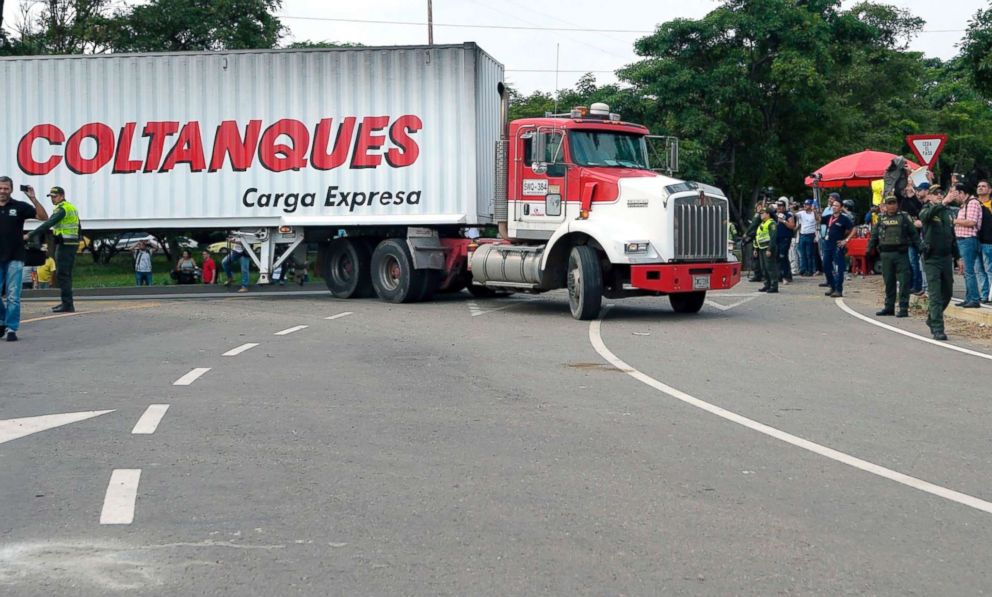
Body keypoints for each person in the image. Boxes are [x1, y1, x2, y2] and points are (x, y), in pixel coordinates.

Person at [0, 177, 49, 341]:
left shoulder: (19, 207)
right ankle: (3, 320)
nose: (3, 191)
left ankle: (11, 328)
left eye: (6, 188)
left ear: (11, 190)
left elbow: (43, 217)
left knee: (13, 295)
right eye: (0, 188)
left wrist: (33, 198)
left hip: (15, 257)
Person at [27, 186, 79, 313]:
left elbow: (48, 224)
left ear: (62, 196)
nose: (52, 199)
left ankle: (67, 304)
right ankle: (66, 303)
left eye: (55, 196)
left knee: (62, 275)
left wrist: (30, 235)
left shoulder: (62, 209)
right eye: (51, 197)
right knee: (65, 274)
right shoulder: (70, 207)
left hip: (65, 245)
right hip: (70, 244)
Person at [868, 195, 920, 317]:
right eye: (889, 203)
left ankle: (903, 308)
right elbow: (874, 235)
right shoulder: (881, 219)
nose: (892, 206)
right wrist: (869, 248)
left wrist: (920, 247)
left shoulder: (904, 217)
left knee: (904, 282)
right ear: (885, 205)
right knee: (889, 282)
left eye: (894, 203)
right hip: (886, 254)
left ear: (897, 204)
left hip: (901, 253)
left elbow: (913, 234)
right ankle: (889, 307)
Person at [919, 189, 959, 341]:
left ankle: (932, 317)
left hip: (946, 257)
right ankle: (937, 328)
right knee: (935, 294)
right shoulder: (927, 209)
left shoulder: (948, 212)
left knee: (947, 293)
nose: (939, 195)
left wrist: (958, 257)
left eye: (941, 193)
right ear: (929, 196)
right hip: (932, 258)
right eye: (935, 193)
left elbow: (952, 235)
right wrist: (942, 203)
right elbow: (924, 218)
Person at [951, 183, 983, 308]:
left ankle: (974, 298)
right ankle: (969, 297)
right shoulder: (965, 204)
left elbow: (971, 221)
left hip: (968, 239)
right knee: (965, 271)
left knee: (969, 271)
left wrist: (954, 221)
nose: (954, 196)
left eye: (955, 193)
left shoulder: (973, 203)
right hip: (962, 240)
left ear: (962, 192)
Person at [822, 196, 855, 298]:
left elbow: (854, 229)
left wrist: (846, 240)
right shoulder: (829, 217)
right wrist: (815, 211)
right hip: (827, 244)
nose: (834, 207)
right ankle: (832, 286)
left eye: (837, 206)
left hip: (837, 245)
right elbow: (818, 219)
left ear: (841, 207)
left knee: (838, 268)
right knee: (826, 266)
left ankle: (838, 289)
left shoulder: (844, 219)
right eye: (833, 205)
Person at [901, 182, 925, 295]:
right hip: (905, 238)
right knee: (908, 263)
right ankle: (910, 285)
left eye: (910, 188)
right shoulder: (902, 202)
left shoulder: (917, 201)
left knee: (914, 263)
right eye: (906, 188)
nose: (907, 190)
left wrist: (913, 196)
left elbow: (919, 212)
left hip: (914, 237)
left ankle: (917, 285)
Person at [754, 207, 779, 293]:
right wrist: (755, 249)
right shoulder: (762, 224)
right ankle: (767, 285)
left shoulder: (771, 223)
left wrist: (769, 249)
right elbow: (758, 236)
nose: (761, 214)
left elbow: (773, 237)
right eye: (760, 213)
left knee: (770, 268)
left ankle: (774, 286)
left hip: (768, 248)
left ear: (768, 214)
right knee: (764, 268)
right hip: (761, 248)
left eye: (763, 213)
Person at [976, 180, 992, 303]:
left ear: (990, 190)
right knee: (979, 271)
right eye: (979, 186)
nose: (980, 188)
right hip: (975, 242)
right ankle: (984, 296)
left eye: (984, 186)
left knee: (989, 270)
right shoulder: (972, 204)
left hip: (988, 242)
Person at [774, 198, 795, 284]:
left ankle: (786, 276)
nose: (779, 207)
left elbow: (792, 225)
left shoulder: (788, 214)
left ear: (785, 206)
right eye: (778, 205)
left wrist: (783, 221)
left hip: (785, 237)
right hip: (777, 238)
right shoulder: (775, 214)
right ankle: (780, 275)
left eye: (781, 206)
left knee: (783, 256)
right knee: (778, 256)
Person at [796, 199, 819, 276]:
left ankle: (810, 270)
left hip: (810, 234)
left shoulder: (813, 213)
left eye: (807, 204)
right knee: (802, 254)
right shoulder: (802, 213)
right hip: (803, 235)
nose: (805, 206)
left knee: (809, 254)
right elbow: (794, 214)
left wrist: (814, 210)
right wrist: (793, 208)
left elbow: (818, 220)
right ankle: (803, 269)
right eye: (805, 204)